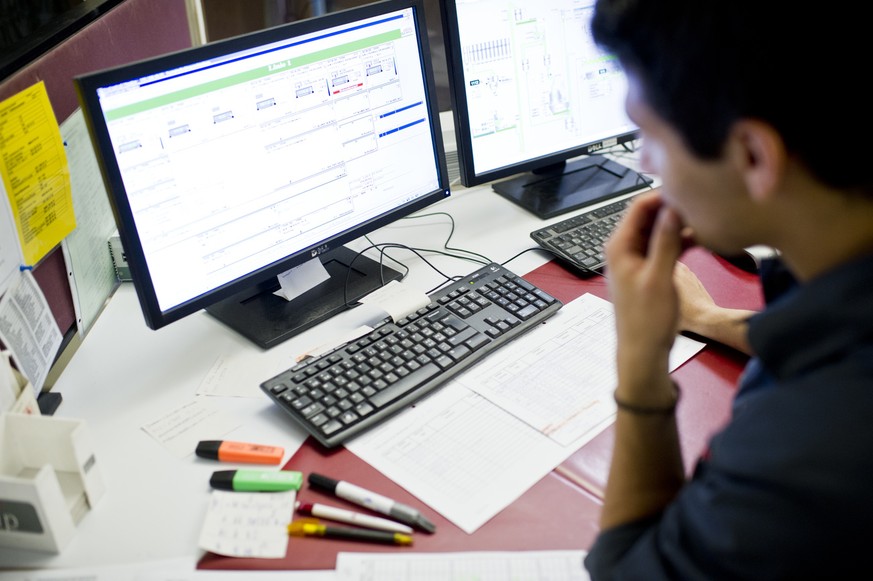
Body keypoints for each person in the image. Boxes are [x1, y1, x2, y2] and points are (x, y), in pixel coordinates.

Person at [584, 0, 873, 578]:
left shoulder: (804, 454)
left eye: (650, 134)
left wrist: (641, 363)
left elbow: (626, 570)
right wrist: (710, 318)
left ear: (752, 154)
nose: (644, 163)